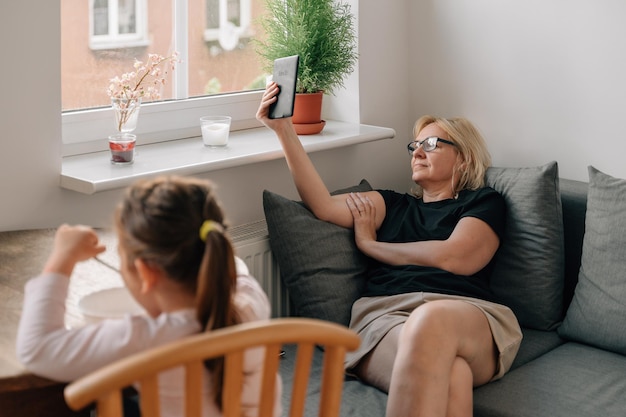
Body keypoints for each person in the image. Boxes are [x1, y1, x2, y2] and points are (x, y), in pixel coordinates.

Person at [256, 82, 522, 417]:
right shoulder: (390, 204)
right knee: (454, 375)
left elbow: (455, 258)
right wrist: (283, 130)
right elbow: (322, 205)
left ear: (464, 157)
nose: (417, 152)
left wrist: (372, 246)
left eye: (431, 144)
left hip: (465, 314)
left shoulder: (484, 202)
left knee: (431, 319)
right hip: (385, 318)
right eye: (415, 146)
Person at [16, 175, 281, 417]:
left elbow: (36, 349)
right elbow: (229, 266)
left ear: (145, 272)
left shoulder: (147, 339)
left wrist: (61, 258)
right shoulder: (251, 298)